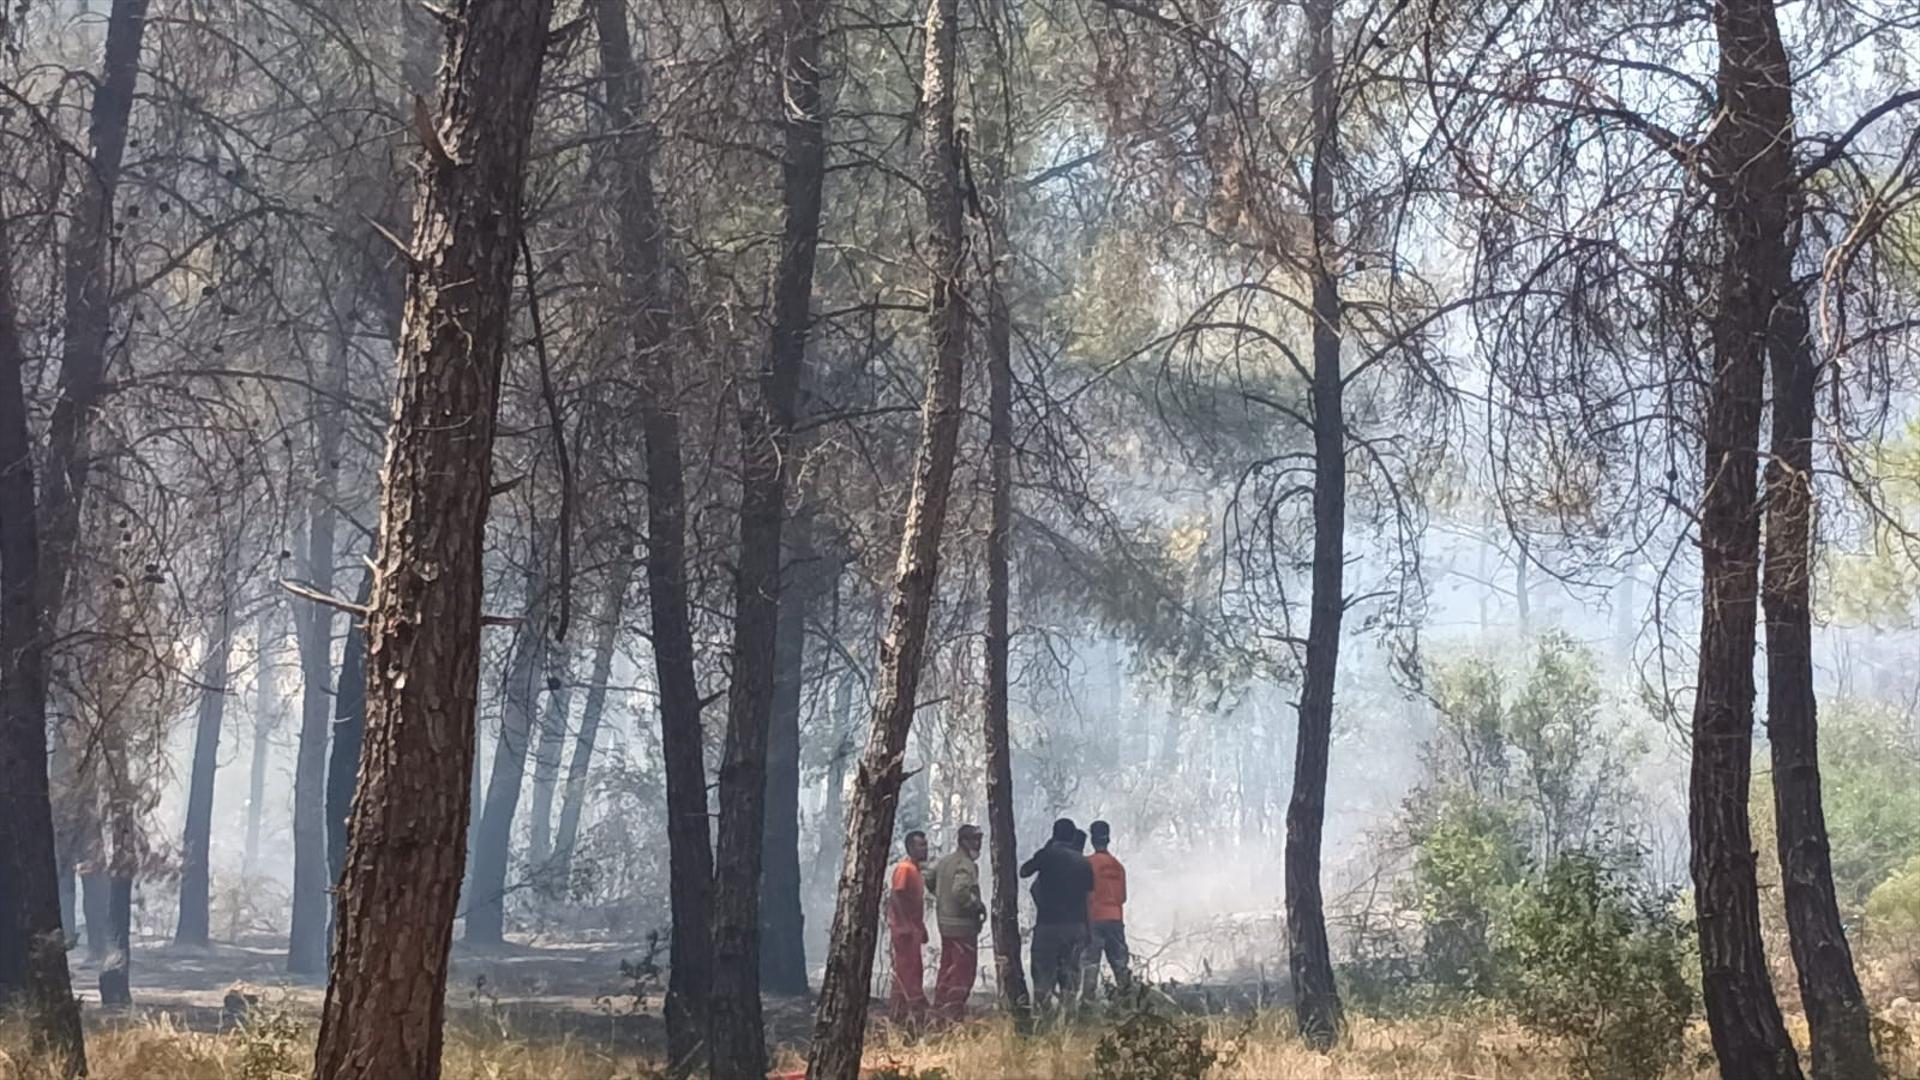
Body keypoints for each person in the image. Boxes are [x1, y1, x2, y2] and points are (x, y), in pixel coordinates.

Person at [1019, 817, 1093, 1016]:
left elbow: (1024, 871)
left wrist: (1045, 849)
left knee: (1043, 975)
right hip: (1076, 927)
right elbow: (1088, 899)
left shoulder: (1047, 855)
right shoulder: (1083, 863)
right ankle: (1068, 1020)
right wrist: (1088, 929)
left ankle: (1042, 1019)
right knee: (1071, 975)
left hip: (1048, 926)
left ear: (1054, 834)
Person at [925, 823, 986, 1022]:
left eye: (980, 839)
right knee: (963, 972)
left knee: (947, 967)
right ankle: (952, 1014)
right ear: (963, 841)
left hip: (945, 925)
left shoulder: (945, 861)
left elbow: (929, 878)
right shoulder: (965, 864)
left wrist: (942, 899)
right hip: (963, 928)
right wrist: (976, 906)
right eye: (974, 840)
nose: (978, 844)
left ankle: (939, 1009)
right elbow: (960, 891)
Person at [886, 830, 931, 1028]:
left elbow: (914, 903)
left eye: (925, 844)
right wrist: (903, 924)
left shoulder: (916, 870)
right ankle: (913, 1014)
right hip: (904, 932)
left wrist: (921, 927)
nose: (925, 849)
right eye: (921, 845)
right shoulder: (905, 869)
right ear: (911, 848)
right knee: (908, 972)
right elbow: (896, 895)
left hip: (913, 929)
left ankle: (900, 1013)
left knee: (910, 970)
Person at [1085, 819, 1132, 995]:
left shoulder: (1087, 863)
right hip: (1115, 920)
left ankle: (1088, 1003)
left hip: (1094, 920)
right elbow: (1123, 897)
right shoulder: (1118, 867)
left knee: (1090, 965)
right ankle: (1128, 1000)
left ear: (1092, 839)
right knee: (1120, 965)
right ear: (1109, 839)